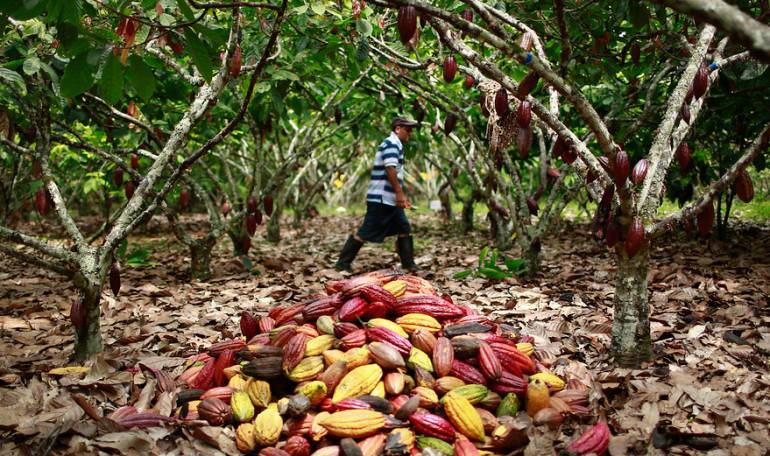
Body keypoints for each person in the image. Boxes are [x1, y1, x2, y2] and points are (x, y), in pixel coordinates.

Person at [335, 117, 421, 273]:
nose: (411, 133)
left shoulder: (395, 144)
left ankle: (409, 264)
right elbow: (390, 168)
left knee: (404, 228)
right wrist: (399, 194)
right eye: (408, 130)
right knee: (366, 231)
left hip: (389, 199)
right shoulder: (391, 144)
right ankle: (342, 263)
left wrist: (400, 197)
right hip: (381, 199)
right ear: (397, 129)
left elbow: (394, 172)